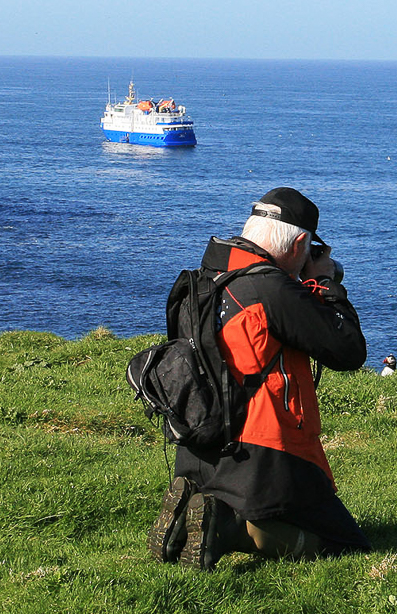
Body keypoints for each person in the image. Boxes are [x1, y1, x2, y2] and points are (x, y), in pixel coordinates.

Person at [148, 186, 370, 569]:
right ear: (301, 242)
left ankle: (188, 515)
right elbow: (348, 351)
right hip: (263, 455)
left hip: (200, 444)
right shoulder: (272, 289)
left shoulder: (203, 278)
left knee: (307, 523)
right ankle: (230, 527)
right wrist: (326, 284)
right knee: (345, 545)